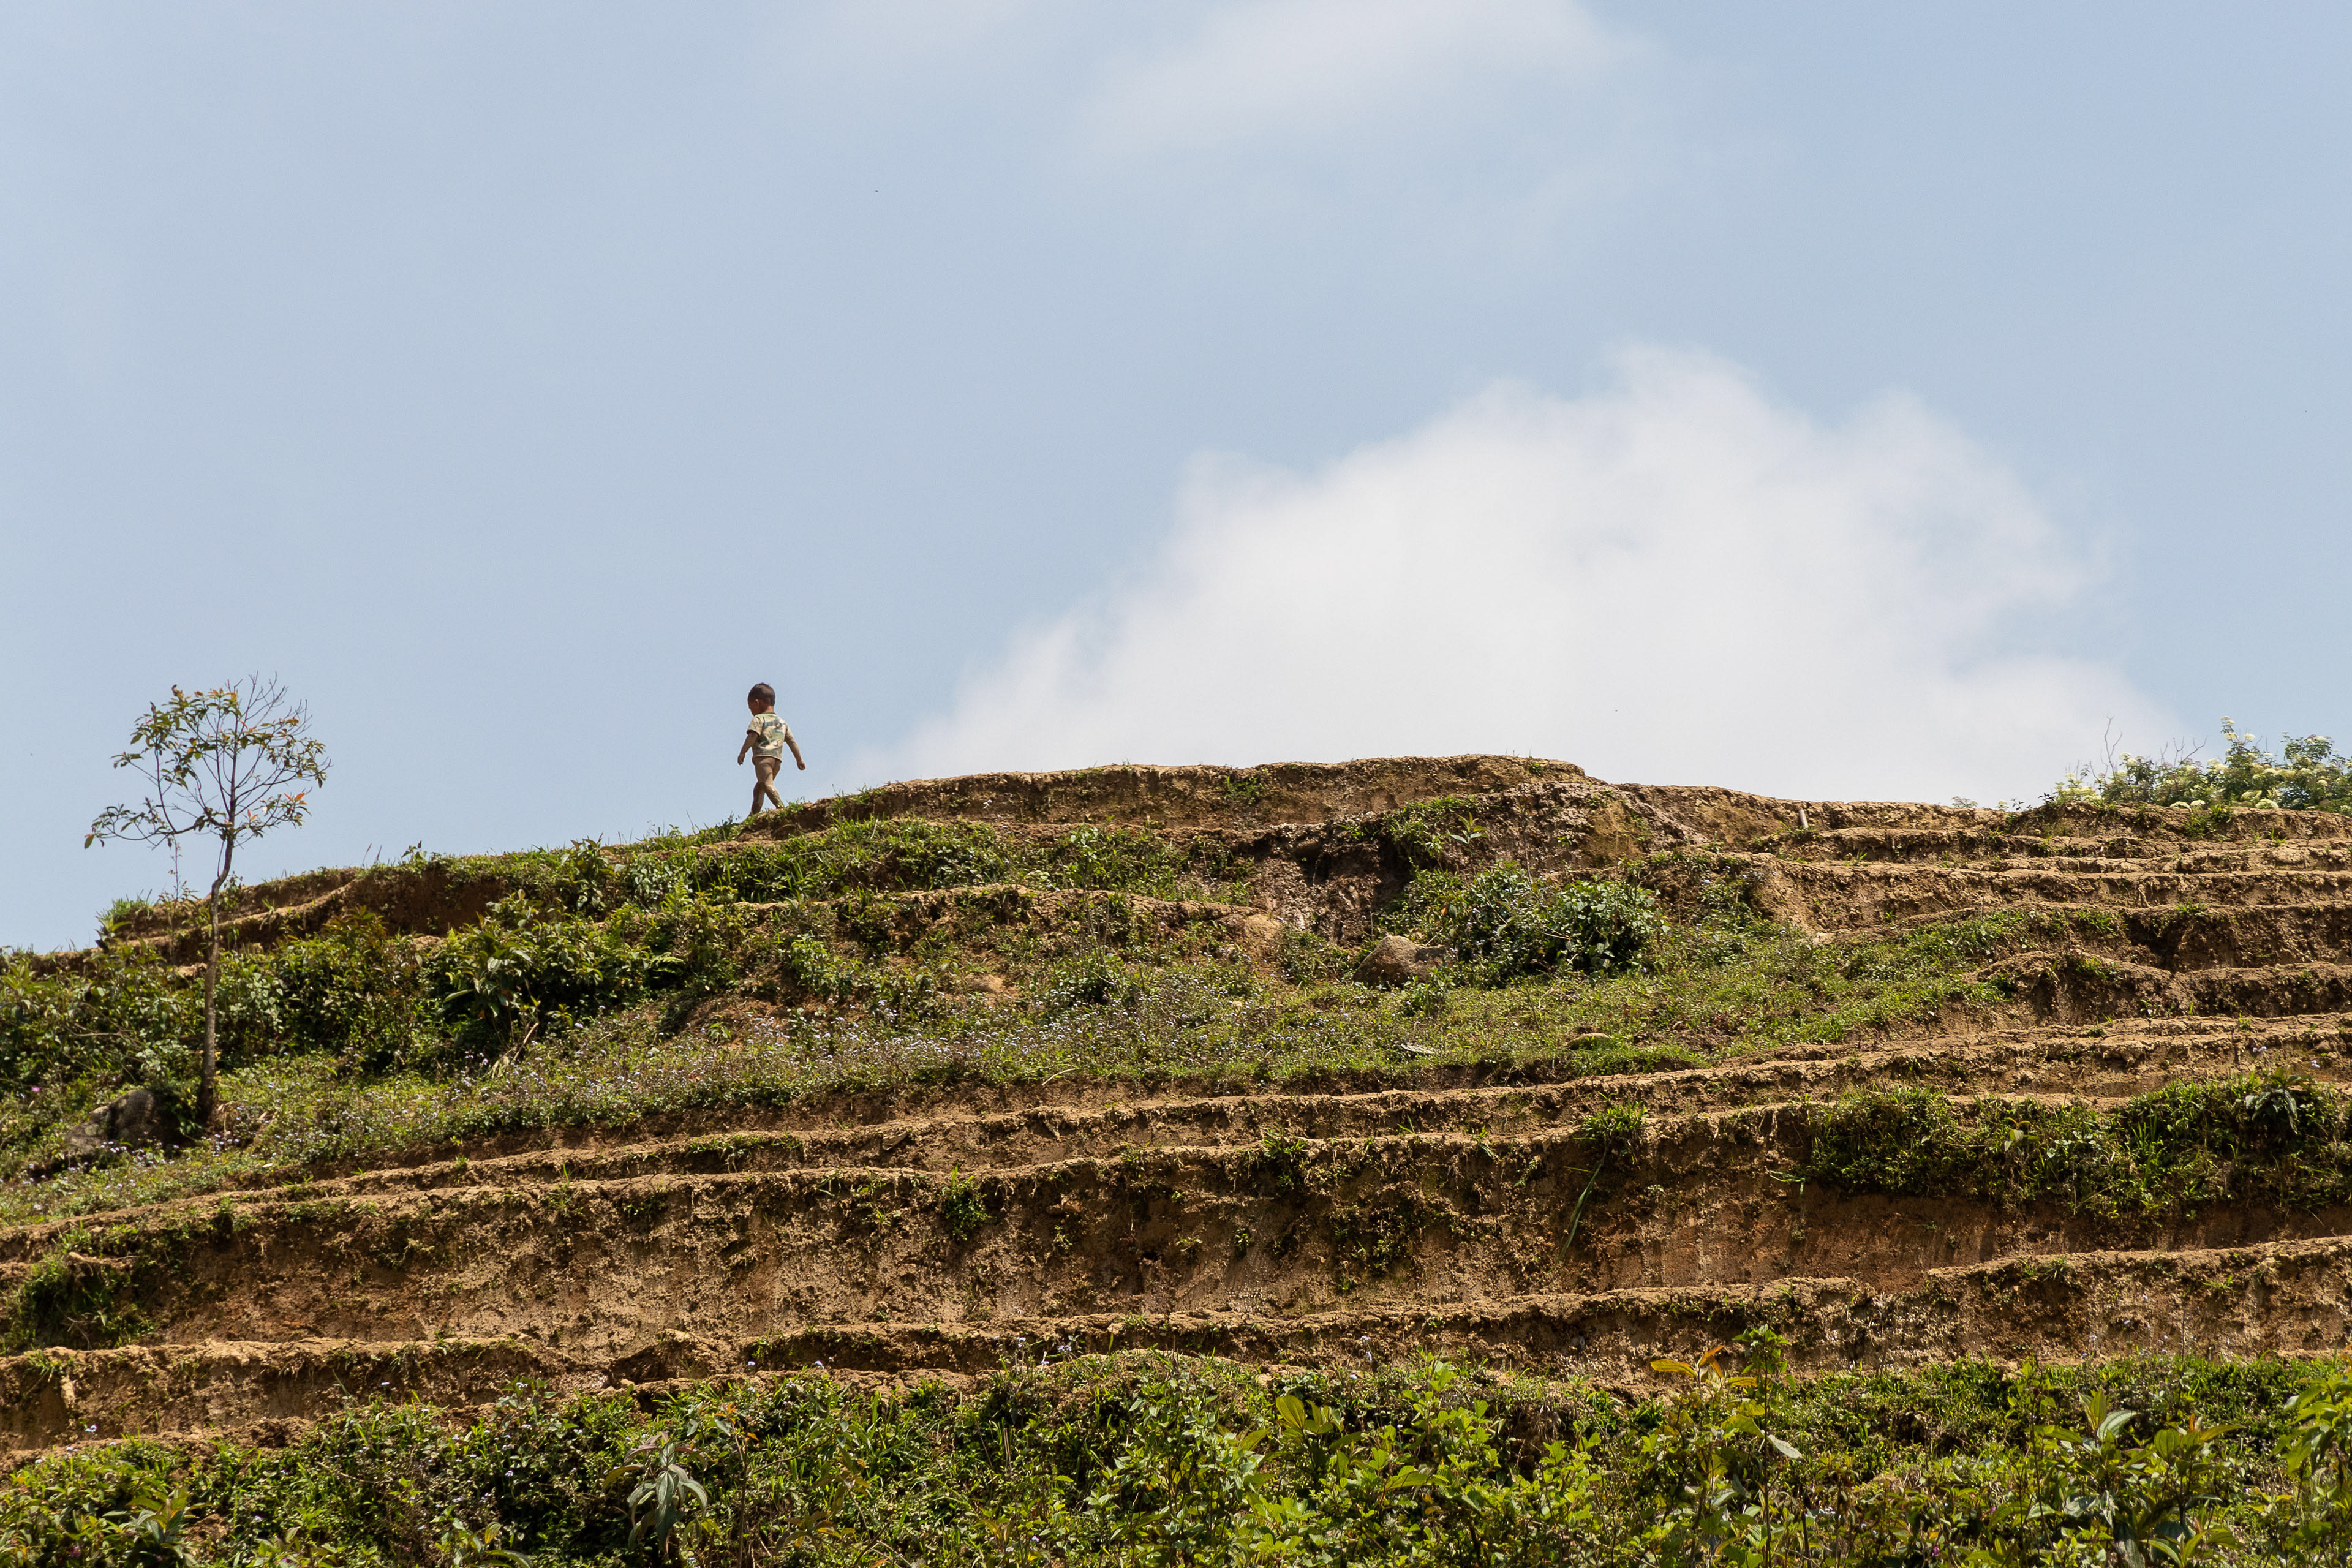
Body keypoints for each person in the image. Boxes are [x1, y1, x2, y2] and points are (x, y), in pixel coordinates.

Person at [736, 683, 805, 815]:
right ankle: (754, 815)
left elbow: (752, 736)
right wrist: (799, 759)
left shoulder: (759, 719)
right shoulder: (782, 722)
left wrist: (743, 752)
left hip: (763, 758)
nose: (751, 711)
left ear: (756, 703)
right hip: (777, 760)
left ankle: (782, 809)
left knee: (768, 784)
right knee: (760, 787)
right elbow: (792, 741)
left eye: (750, 707)